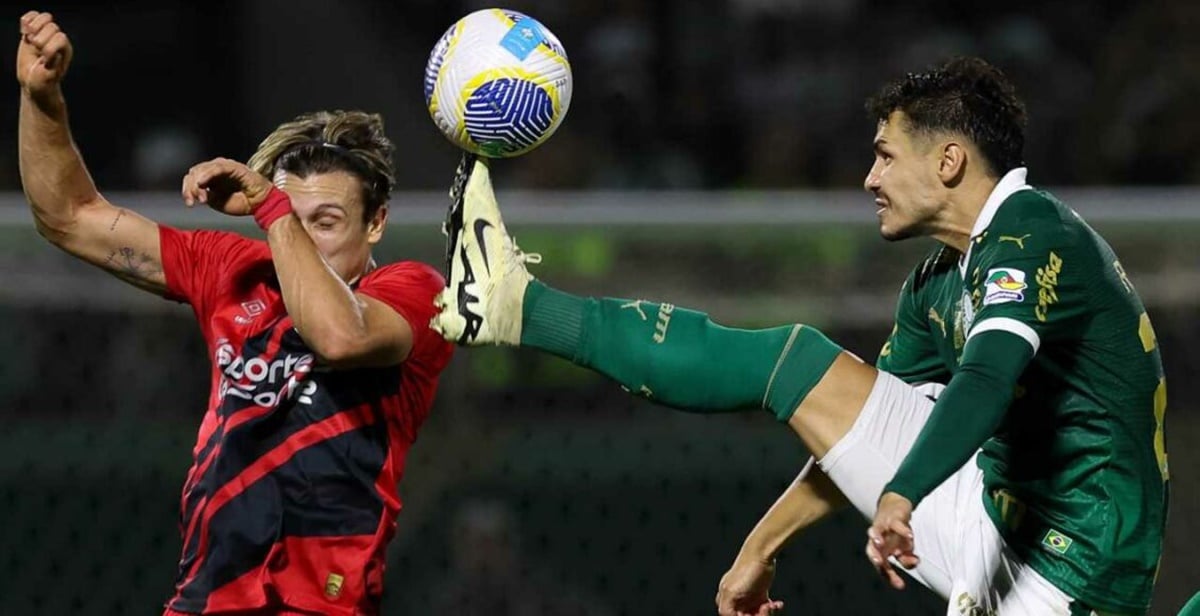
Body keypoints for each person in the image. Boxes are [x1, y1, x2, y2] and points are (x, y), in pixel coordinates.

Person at [431, 56, 1167, 615]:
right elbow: (847, 436)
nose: (868, 177)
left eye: (885, 153)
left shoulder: (1033, 235)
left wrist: (902, 494)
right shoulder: (937, 280)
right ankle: (510, 302)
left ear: (949, 161)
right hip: (989, 510)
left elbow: (986, 379)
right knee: (803, 364)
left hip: (1073, 572)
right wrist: (761, 548)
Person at [17, 11, 453, 615]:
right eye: (291, 219)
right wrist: (42, 99)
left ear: (376, 223)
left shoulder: (411, 291)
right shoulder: (230, 270)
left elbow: (336, 335)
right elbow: (68, 217)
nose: (302, 237)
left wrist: (272, 209)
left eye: (326, 223)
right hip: (203, 602)